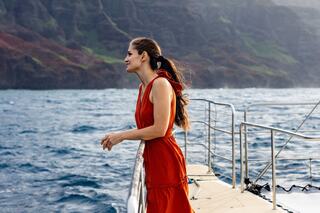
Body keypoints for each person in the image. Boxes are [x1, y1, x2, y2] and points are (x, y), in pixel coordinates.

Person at [101, 37, 194, 213]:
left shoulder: (160, 84)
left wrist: (120, 136)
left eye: (129, 54)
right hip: (153, 160)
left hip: (165, 161)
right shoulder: (143, 87)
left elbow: (159, 129)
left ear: (143, 56)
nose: (125, 59)